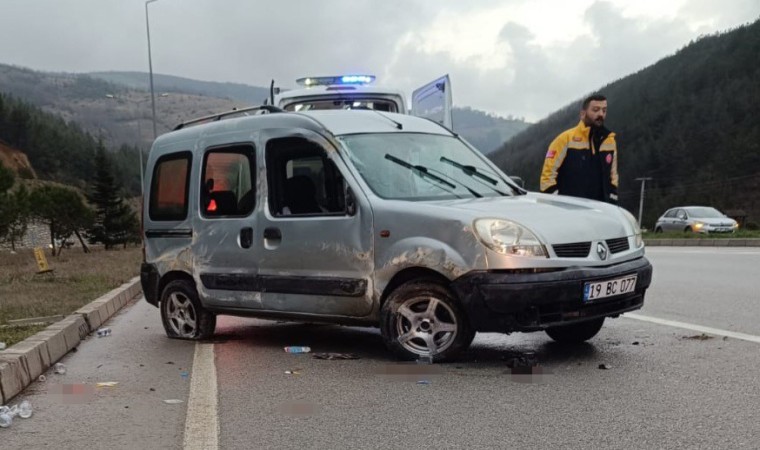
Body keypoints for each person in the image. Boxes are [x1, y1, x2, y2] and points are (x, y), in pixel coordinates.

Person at [540, 94, 618, 204]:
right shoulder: (565, 139)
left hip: (599, 209)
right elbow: (547, 176)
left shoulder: (609, 141)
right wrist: (556, 202)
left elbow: (613, 176)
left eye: (604, 110)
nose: (600, 114)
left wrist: (612, 199)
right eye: (595, 110)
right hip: (568, 209)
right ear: (583, 114)